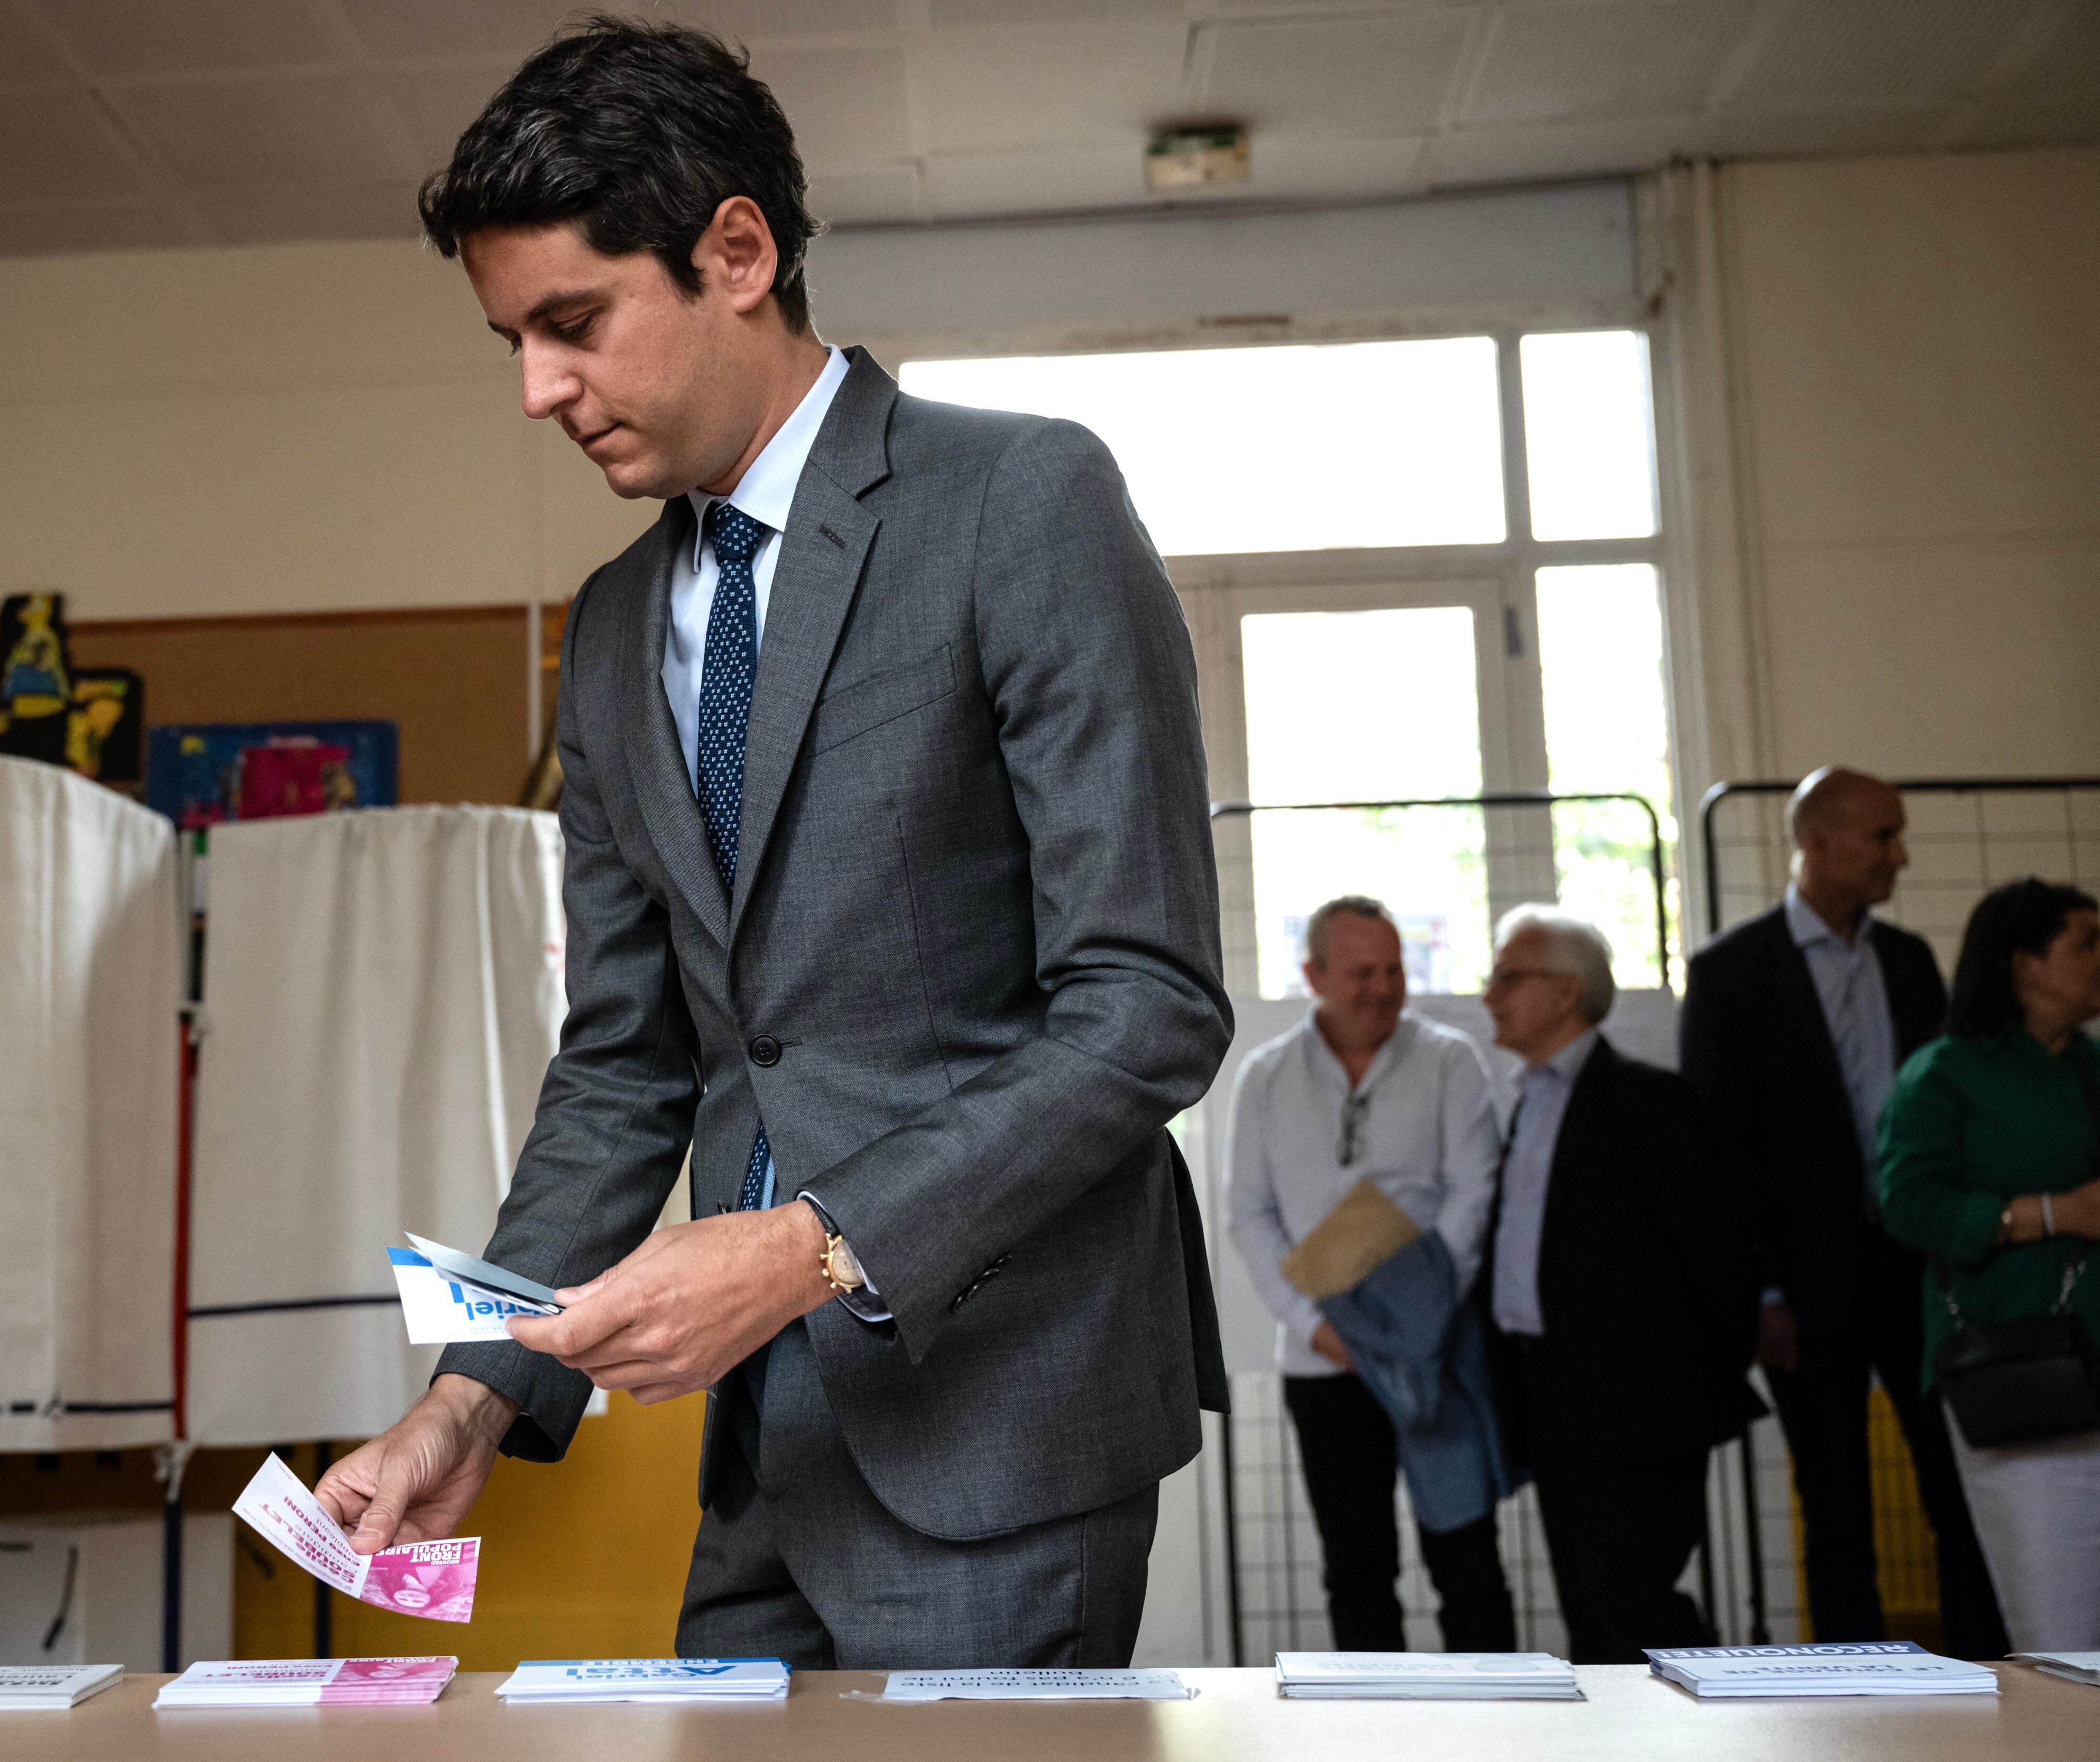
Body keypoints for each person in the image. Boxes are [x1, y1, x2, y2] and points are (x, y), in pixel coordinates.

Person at [309, 18, 1232, 1669]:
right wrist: (473, 1392)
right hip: (760, 1459)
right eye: (512, 339)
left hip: (1001, 1427)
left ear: (737, 249)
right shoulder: (606, 633)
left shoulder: (1020, 503)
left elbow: (1146, 1005)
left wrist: (815, 1242)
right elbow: (623, 1069)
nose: (536, 390)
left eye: (573, 323)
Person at [1679, 767, 2006, 1656]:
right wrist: (1762, 1291)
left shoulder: (1909, 963)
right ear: (1815, 843)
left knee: (1958, 1494)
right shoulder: (1730, 973)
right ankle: (1858, 1703)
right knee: (1836, 1508)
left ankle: (1988, 1683)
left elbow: (1945, 1124)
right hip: (1802, 1293)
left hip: (1919, 1277)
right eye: (1883, 835)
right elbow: (1718, 1154)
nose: (1901, 854)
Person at [1226, 896, 1512, 1650]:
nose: (1383, 987)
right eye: (1361, 972)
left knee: (1469, 1561)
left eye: (1394, 968)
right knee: (1356, 1570)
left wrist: (1417, 1321)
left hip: (1439, 1352)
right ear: (1313, 975)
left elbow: (1474, 1193)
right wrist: (1318, 1327)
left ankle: (1503, 1737)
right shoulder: (1264, 1075)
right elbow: (1249, 1215)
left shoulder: (1452, 1057)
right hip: (1324, 1364)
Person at [1481, 905, 1762, 1664]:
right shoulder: (1529, 1101)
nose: (1489, 993)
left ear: (1567, 991)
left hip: (1640, 1404)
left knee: (1630, 1601)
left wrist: (1695, 1380)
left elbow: (1720, 1256)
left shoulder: (1648, 1100)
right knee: (1588, 1607)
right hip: (1548, 1391)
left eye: (1509, 975)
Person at [1877, 879, 2100, 1652]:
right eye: (2086, 942)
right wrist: (2050, 1213)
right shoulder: (1944, 1074)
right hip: (2024, 1379)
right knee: (2063, 1634)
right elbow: (1908, 1205)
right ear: (2027, 964)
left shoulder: (2092, 1066)